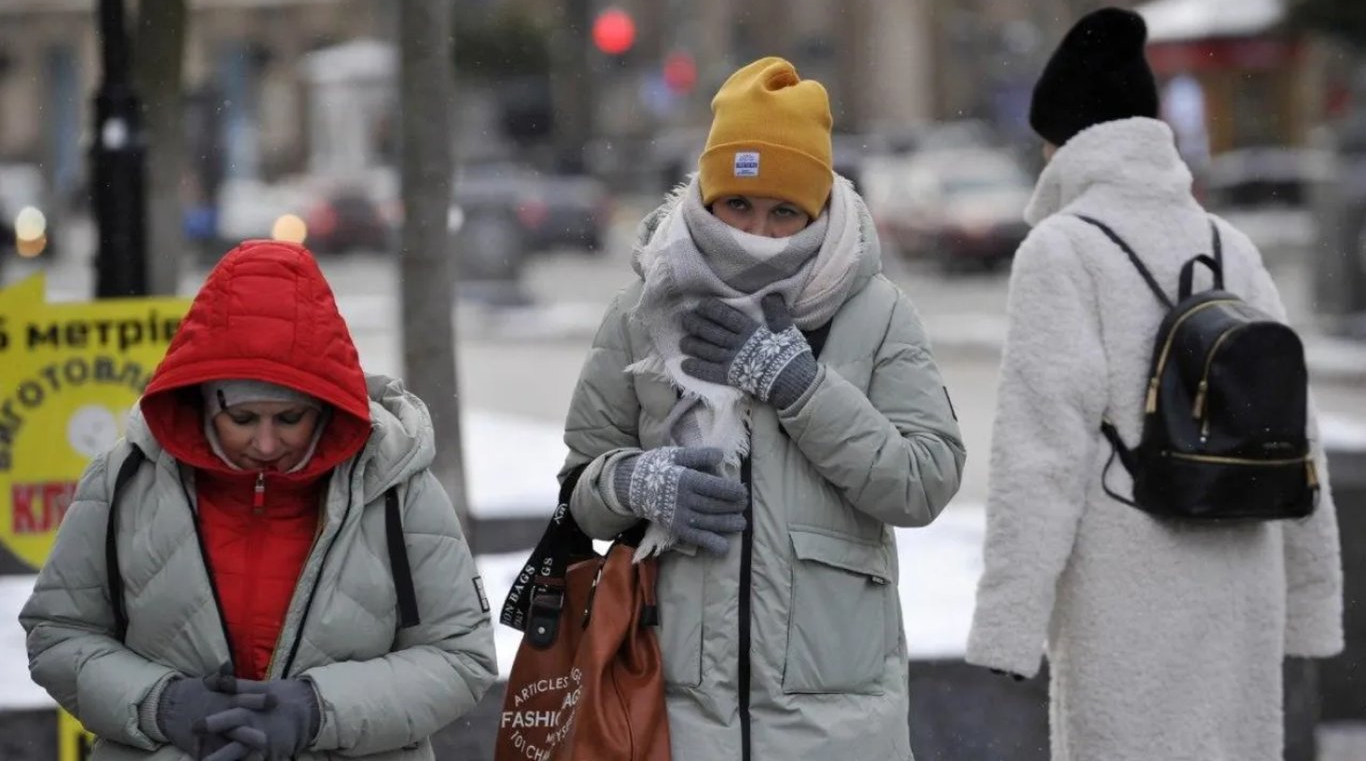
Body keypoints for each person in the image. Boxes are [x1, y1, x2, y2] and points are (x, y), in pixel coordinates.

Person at [559, 56, 966, 760]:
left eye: (785, 212)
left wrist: (799, 387)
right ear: (709, 197)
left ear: (818, 210)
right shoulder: (642, 310)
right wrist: (634, 483)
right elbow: (580, 491)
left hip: (837, 730)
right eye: (738, 205)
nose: (757, 232)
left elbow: (923, 479)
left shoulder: (875, 313)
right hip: (670, 720)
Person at [965, 8, 1343, 761]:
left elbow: (1040, 454)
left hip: (1131, 592)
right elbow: (1300, 439)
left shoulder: (1063, 250)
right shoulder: (1228, 244)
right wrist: (1312, 601)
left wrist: (1008, 625)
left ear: (1063, 141)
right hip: (1244, 581)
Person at [21, 240, 496, 760]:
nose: (266, 444)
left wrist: (317, 711)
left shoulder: (395, 486)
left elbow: (460, 655)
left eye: (290, 419)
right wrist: (161, 704)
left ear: (325, 404)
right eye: (242, 419)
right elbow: (59, 633)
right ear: (202, 400)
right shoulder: (125, 481)